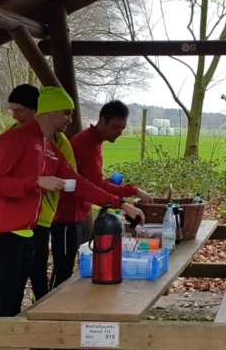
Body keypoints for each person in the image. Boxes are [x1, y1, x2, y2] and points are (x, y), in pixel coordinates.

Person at [0, 87, 145, 320]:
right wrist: (36, 181)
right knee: (2, 306)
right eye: (66, 113)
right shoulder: (14, 139)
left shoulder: (50, 148)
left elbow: (80, 184)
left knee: (15, 304)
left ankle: (15, 342)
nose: (70, 119)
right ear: (49, 111)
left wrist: (122, 204)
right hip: (3, 233)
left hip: (29, 232)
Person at [52, 100, 152, 277]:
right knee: (62, 271)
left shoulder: (96, 141)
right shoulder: (87, 143)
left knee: (67, 267)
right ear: (102, 121)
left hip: (78, 212)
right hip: (66, 214)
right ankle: (50, 296)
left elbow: (93, 180)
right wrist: (132, 191)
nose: (119, 132)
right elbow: (95, 185)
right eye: (115, 127)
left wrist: (114, 184)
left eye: (122, 128)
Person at [0, 84, 74, 301]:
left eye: (19, 111)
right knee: (10, 289)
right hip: (12, 222)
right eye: (12, 111)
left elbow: (73, 177)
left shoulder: (59, 142)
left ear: (37, 111)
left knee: (38, 276)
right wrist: (36, 181)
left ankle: (39, 312)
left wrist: (117, 200)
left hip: (42, 219)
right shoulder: (10, 136)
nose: (15, 116)